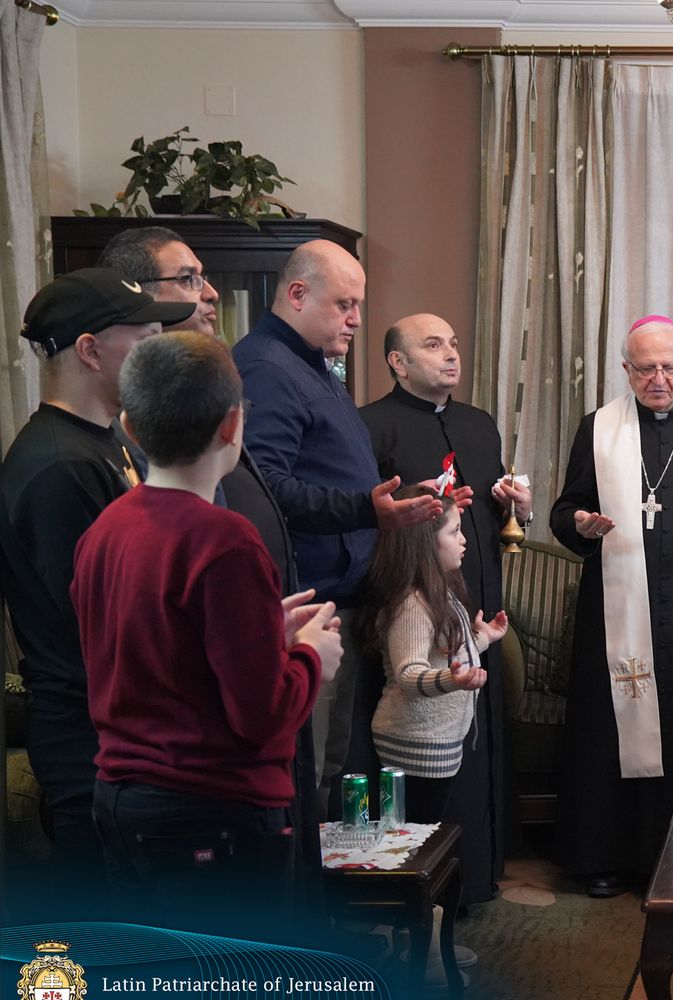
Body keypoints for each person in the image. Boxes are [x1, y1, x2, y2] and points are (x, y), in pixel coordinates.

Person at [69, 331, 342, 935]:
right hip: (212, 810)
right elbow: (262, 717)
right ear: (232, 426)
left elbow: (152, 647)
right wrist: (310, 656)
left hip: (121, 798)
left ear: (132, 430)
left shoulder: (107, 527)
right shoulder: (224, 540)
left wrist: (267, 628)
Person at [3, 269, 193, 899]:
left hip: (126, 730)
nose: (157, 355)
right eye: (142, 341)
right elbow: (99, 624)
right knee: (106, 940)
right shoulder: (58, 466)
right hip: (91, 742)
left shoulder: (105, 442)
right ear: (89, 350)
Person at [233, 240, 440, 816]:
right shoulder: (268, 368)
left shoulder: (310, 363)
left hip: (338, 597)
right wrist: (363, 511)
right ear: (297, 295)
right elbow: (264, 487)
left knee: (329, 769)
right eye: (344, 305)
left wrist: (392, 501)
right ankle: (305, 901)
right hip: (306, 602)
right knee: (308, 773)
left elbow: (329, 470)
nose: (355, 320)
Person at [549, 315, 673, 898]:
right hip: (615, 609)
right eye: (645, 368)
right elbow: (567, 508)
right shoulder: (598, 428)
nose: (658, 379)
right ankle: (605, 857)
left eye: (669, 367)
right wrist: (582, 523)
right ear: (626, 369)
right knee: (609, 728)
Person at [360, 313, 530, 905]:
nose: (451, 354)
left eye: (454, 342)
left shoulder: (478, 425)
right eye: (433, 345)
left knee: (476, 743)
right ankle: (422, 898)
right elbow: (369, 525)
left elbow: (498, 524)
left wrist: (520, 508)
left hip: (475, 613)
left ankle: (477, 875)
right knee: (425, 761)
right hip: (413, 615)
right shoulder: (372, 427)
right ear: (398, 362)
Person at [358, 486, 508, 825]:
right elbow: (409, 675)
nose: (464, 540)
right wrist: (452, 680)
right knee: (415, 840)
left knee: (431, 836)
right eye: (454, 531)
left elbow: (447, 655)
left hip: (437, 744)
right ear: (426, 541)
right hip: (414, 745)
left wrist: (483, 637)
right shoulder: (413, 604)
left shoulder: (440, 591)